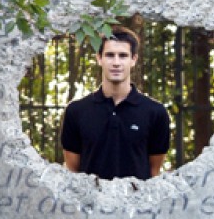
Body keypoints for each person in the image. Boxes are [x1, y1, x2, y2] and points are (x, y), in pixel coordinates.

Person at [60, 26, 170, 179]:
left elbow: (154, 172)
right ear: (99, 58)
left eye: (123, 56)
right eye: (110, 55)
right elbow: (73, 171)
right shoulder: (76, 111)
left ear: (133, 59)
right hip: (90, 195)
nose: (116, 62)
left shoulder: (156, 113)